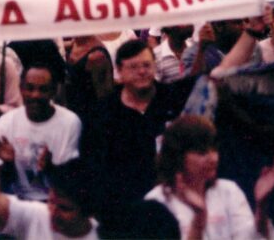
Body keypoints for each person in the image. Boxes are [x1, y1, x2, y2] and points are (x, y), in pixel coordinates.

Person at [80, 40, 195, 213]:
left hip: (174, 202)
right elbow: (94, 168)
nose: (141, 72)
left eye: (147, 65)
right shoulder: (102, 113)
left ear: (155, 67)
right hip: (125, 208)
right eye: (133, 67)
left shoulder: (174, 99)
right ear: (119, 71)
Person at [145, 115, 274, 240]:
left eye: (214, 149)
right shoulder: (156, 202)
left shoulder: (228, 191)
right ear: (177, 156)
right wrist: (198, 220)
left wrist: (261, 207)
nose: (213, 158)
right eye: (202, 152)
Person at [0, 154, 99, 239]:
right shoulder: (37, 215)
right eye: (51, 202)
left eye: (64, 208)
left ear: (89, 212)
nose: (53, 212)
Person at [0, 64, 82, 201]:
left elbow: (71, 184)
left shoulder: (69, 122)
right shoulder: (6, 123)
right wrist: (8, 164)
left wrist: (50, 169)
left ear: (54, 91)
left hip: (54, 202)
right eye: (30, 88)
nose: (35, 95)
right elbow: (1, 184)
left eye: (43, 89)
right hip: (18, 201)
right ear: (21, 89)